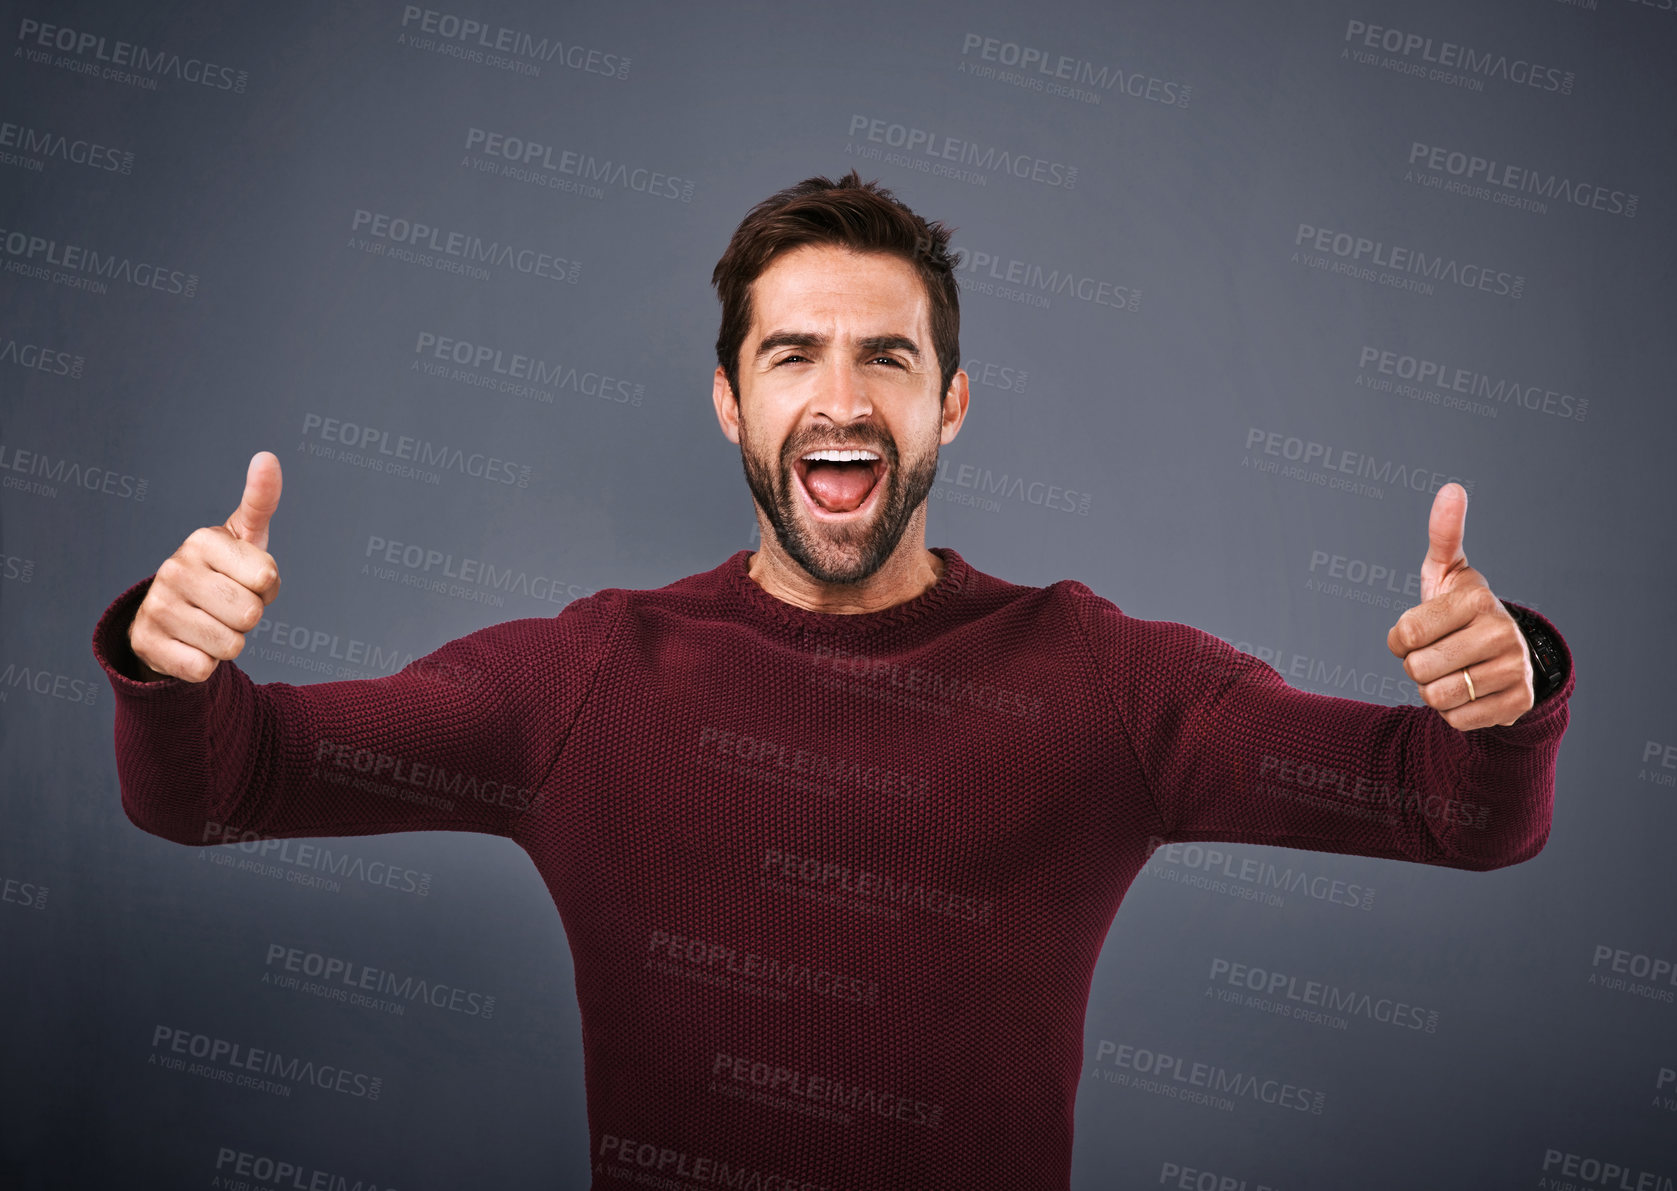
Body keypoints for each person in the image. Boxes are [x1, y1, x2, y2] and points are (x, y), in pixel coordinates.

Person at [93, 171, 1573, 1191]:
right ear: (733, 400)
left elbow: (1452, 812)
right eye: (793, 353)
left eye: (888, 356)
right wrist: (173, 665)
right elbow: (224, 787)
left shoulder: (1100, 681)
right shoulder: (586, 681)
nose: (842, 396)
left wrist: (1496, 696)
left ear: (950, 403)